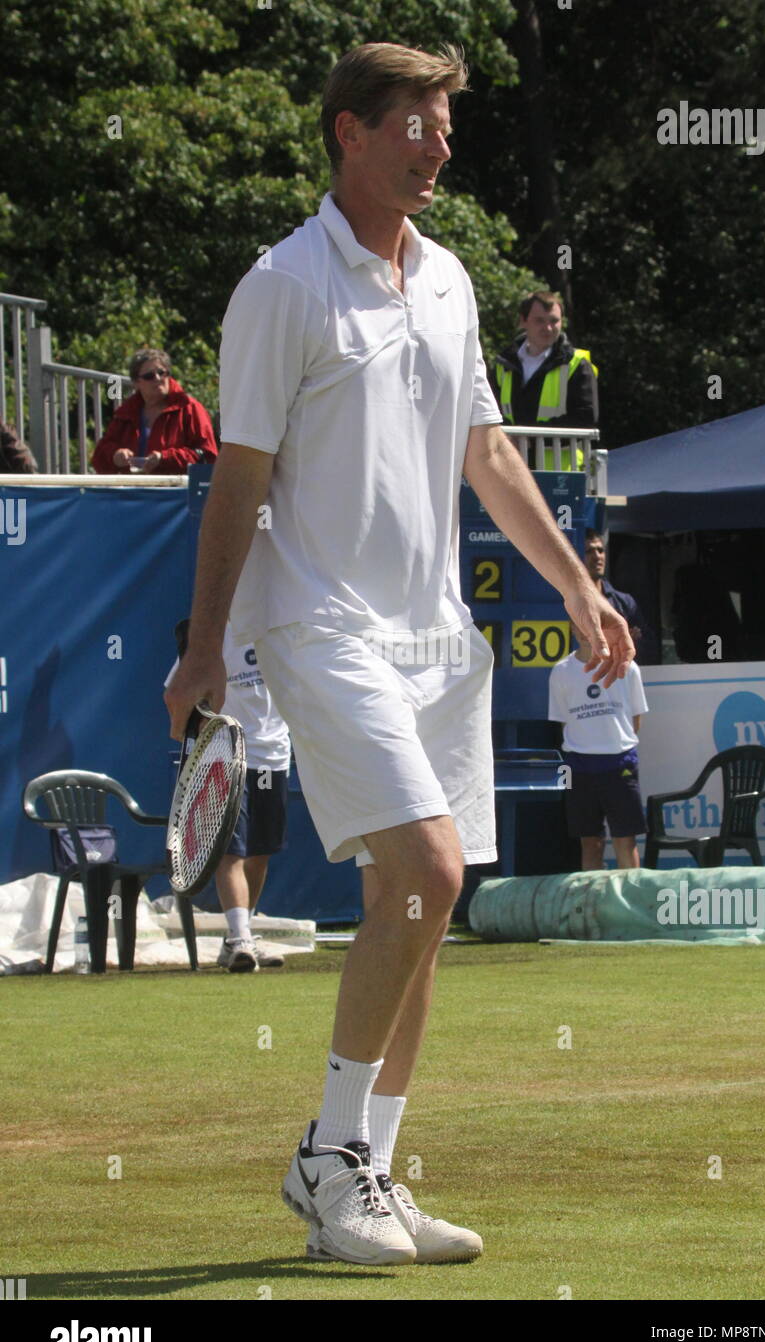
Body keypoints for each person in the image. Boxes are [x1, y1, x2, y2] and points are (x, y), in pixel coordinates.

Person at [166, 41, 633, 1268]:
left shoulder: (450, 281)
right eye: (413, 125)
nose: (437, 146)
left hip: (438, 639)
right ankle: (330, 1158)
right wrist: (204, 643)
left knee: (427, 902)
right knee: (423, 868)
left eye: (443, 125)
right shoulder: (280, 285)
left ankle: (362, 1168)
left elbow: (488, 450)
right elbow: (242, 475)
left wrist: (578, 586)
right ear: (348, 134)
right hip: (319, 622)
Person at [167, 619, 291, 973]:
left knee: (259, 851)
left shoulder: (282, 635)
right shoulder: (209, 639)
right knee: (230, 851)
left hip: (273, 758)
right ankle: (239, 938)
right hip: (223, 757)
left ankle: (242, 934)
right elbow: (177, 695)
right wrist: (199, 728)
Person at [548, 620, 648, 870]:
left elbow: (635, 720)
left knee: (625, 841)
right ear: (571, 629)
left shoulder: (627, 668)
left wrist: (610, 744)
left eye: (591, 627)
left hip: (619, 763)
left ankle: (630, 904)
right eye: (579, 627)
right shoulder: (561, 671)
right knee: (590, 843)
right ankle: (591, 906)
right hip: (579, 767)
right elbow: (564, 724)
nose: (585, 634)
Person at [492, 290, 598, 471]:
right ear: (523, 321)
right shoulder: (504, 363)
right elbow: (489, 414)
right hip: (511, 469)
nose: (548, 328)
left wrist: (529, 439)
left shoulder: (576, 363)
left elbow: (585, 419)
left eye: (554, 321)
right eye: (540, 321)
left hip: (560, 475)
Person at [91, 349, 217, 475]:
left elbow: (207, 456)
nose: (157, 378)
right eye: (149, 376)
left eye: (162, 373)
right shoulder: (126, 412)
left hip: (177, 490)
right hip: (133, 490)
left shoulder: (190, 409)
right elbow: (99, 457)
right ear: (136, 383)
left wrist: (164, 458)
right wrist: (115, 456)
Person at [584, 529, 659, 664]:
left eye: (600, 551)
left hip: (617, 677)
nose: (597, 556)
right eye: (589, 551)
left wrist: (631, 640)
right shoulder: (569, 600)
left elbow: (651, 648)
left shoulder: (625, 602)